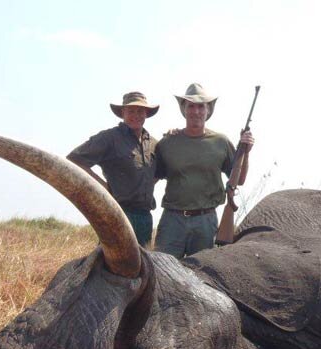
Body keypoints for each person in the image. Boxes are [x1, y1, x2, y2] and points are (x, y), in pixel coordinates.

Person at [154, 83, 255, 258]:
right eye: (191, 106)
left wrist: (246, 152)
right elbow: (151, 177)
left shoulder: (221, 142)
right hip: (172, 220)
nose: (196, 111)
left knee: (203, 276)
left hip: (206, 221)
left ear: (208, 110)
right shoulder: (167, 142)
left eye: (201, 106)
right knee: (162, 274)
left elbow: (239, 180)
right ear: (183, 109)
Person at [67, 91, 159, 247]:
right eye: (130, 111)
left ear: (147, 113)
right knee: (111, 264)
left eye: (140, 111)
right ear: (122, 113)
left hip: (145, 216)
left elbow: (160, 173)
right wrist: (104, 187)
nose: (135, 115)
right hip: (118, 213)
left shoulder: (154, 143)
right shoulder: (109, 138)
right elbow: (74, 160)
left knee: (142, 266)